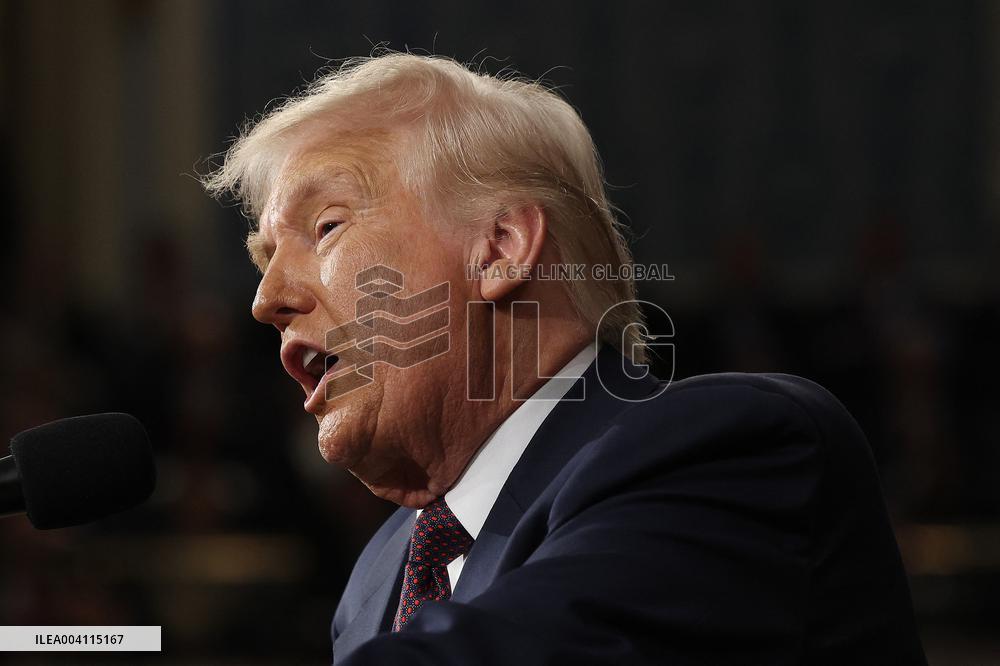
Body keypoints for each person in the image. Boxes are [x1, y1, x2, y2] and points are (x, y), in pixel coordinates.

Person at [202, 53, 926, 665]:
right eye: (265, 259)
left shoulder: (726, 451)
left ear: (501, 249)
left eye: (325, 227)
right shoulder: (380, 573)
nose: (267, 299)